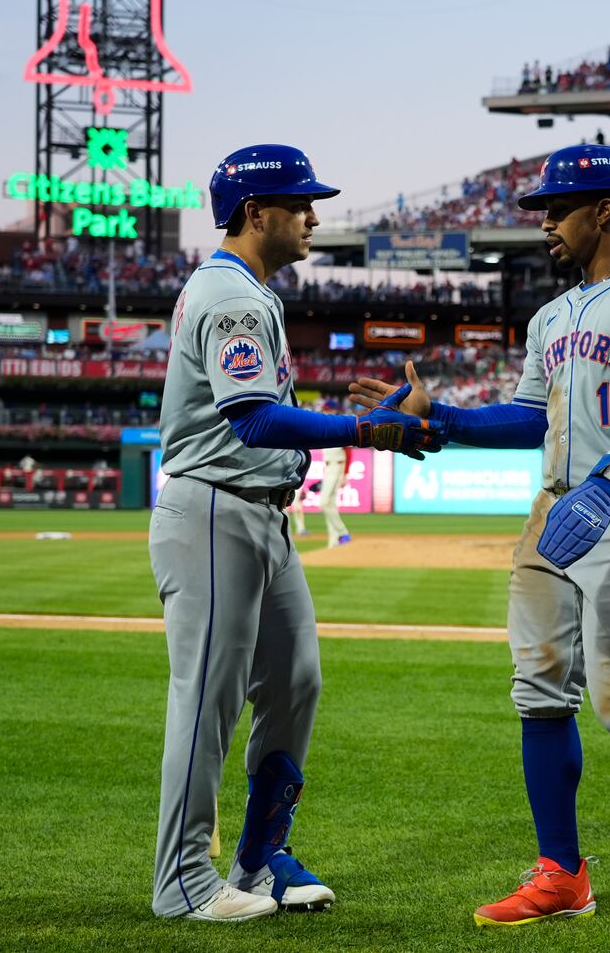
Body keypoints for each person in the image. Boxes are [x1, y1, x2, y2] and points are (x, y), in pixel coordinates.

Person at [349, 144, 610, 927]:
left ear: (607, 209)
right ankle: (561, 876)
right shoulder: (550, 316)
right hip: (553, 510)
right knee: (539, 692)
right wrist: (438, 419)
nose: (543, 223)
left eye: (557, 207)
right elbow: (526, 417)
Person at [149, 144, 445, 925]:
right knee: (207, 697)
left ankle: (256, 858)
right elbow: (250, 416)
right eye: (300, 202)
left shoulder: (251, 293)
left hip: (260, 512)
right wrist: (365, 427)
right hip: (215, 505)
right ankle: (182, 879)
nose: (314, 214)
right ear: (256, 213)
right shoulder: (233, 296)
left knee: (296, 680)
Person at [318, 400, 350, 547]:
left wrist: (345, 473)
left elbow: (348, 451)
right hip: (330, 466)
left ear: (333, 410)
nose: (325, 412)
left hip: (338, 465)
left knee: (324, 502)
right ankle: (334, 540)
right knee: (330, 504)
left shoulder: (339, 425)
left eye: (327, 409)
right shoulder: (325, 426)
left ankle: (343, 532)